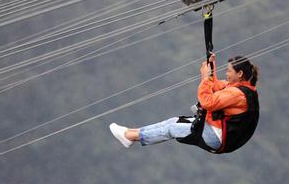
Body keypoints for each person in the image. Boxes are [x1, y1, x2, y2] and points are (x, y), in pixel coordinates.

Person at [109, 53, 259, 153]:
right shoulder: (238, 88)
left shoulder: (238, 94)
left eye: (229, 71)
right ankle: (131, 133)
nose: (226, 74)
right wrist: (211, 68)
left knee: (172, 129)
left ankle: (130, 136)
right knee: (172, 121)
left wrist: (205, 77)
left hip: (216, 137)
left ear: (239, 74)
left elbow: (207, 101)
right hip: (216, 130)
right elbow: (214, 85)